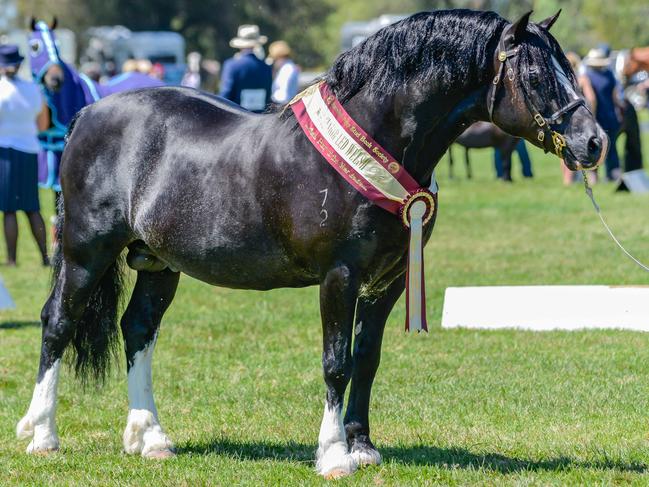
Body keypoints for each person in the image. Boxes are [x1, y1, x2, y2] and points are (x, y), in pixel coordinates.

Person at [0, 45, 49, 266]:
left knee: (9, 209)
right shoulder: (33, 88)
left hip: (5, 151)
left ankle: (11, 259)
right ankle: (45, 257)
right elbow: (43, 123)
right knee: (32, 207)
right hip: (30, 150)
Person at [584, 45, 623, 181]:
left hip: (597, 117)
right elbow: (616, 97)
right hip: (611, 115)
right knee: (612, 149)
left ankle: (594, 177)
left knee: (595, 148)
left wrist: (592, 118)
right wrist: (621, 109)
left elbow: (591, 99)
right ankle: (614, 175)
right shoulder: (610, 74)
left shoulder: (586, 76)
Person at [562, 52, 597, 185]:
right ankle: (593, 180)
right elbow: (592, 98)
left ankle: (567, 182)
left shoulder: (562, 79)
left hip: (567, 119)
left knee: (566, 149)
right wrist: (591, 115)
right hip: (582, 118)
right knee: (588, 148)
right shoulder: (582, 79)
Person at [219, 25, 272, 113]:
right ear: (256, 45)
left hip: (236, 120)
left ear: (240, 45)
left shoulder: (231, 65)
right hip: (260, 119)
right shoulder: (266, 67)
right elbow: (267, 97)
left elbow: (225, 95)